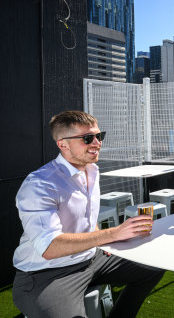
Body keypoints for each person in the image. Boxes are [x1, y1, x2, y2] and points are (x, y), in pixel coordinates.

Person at [12, 111, 164, 318]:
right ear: (63, 144)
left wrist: (102, 242)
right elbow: (48, 247)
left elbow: (86, 218)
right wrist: (112, 234)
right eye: (87, 138)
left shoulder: (91, 170)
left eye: (98, 136)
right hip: (46, 273)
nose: (96, 143)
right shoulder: (40, 184)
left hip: (93, 259)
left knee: (155, 265)